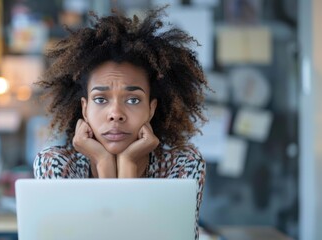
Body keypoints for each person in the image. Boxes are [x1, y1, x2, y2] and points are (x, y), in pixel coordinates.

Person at [33, 7, 208, 239]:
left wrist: (126, 164)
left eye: (133, 99)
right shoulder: (56, 165)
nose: (115, 113)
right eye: (101, 99)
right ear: (85, 109)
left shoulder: (182, 164)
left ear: (151, 109)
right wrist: (105, 162)